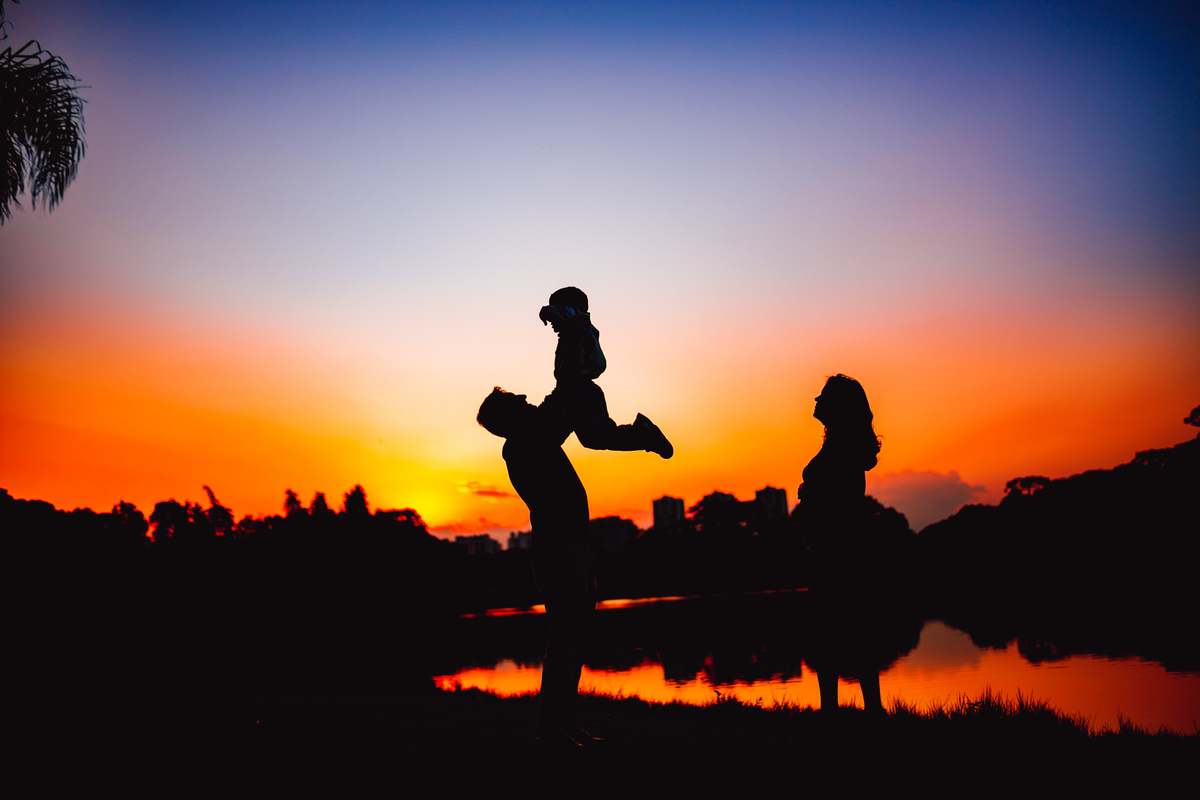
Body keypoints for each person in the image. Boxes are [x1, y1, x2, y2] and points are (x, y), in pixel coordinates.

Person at [477, 387, 598, 746]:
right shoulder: (522, 444)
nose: (526, 399)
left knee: (575, 640)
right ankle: (551, 730)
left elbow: (555, 411)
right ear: (507, 419)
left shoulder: (530, 437)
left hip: (573, 546)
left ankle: (567, 724)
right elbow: (557, 410)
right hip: (559, 552)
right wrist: (568, 376)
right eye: (518, 401)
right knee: (565, 640)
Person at [796, 374, 886, 715]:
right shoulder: (837, 442)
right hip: (834, 549)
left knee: (838, 631)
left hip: (839, 551)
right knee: (839, 631)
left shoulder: (842, 447)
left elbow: (839, 499)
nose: (815, 401)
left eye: (822, 397)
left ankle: (844, 711)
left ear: (838, 406)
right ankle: (850, 710)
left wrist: (811, 493)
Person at [539, 286, 673, 458]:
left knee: (593, 437)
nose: (552, 322)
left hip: (578, 391)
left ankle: (641, 435)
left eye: (555, 312)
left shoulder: (575, 329)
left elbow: (566, 314)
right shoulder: (581, 329)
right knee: (596, 433)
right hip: (587, 391)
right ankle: (640, 433)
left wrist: (546, 311)